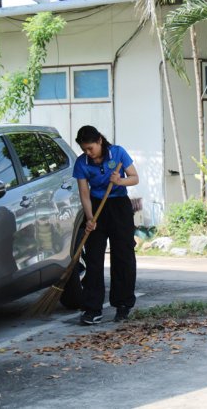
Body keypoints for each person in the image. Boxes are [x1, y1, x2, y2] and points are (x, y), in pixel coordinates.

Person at [73, 125, 139, 325]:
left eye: (90, 148)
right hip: (95, 208)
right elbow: (84, 193)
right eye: (84, 149)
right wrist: (90, 218)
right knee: (93, 257)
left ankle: (123, 304)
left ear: (99, 141)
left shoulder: (118, 153)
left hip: (119, 207)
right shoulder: (81, 163)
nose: (88, 153)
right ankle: (93, 309)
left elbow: (135, 178)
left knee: (123, 255)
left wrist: (119, 181)